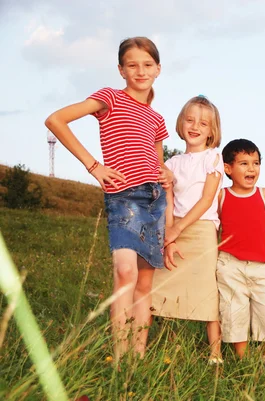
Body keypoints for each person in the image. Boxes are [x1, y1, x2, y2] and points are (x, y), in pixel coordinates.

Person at [45, 37, 171, 361]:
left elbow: (157, 162)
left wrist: (166, 174)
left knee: (145, 283)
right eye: (132, 65)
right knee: (125, 273)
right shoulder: (110, 98)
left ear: (158, 69)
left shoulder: (156, 119)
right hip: (124, 195)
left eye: (147, 64)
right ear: (121, 69)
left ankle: (136, 360)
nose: (140, 71)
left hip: (154, 200)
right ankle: (118, 358)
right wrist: (94, 165)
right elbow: (56, 120)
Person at [151, 95, 224, 364]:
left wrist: (179, 227)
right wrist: (170, 234)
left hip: (202, 229)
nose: (195, 126)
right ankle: (163, 343)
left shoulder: (213, 159)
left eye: (203, 123)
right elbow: (167, 200)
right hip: (175, 229)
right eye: (190, 120)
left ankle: (215, 353)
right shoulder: (171, 163)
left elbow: (207, 199)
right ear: (181, 123)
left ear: (211, 131)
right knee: (162, 285)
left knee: (206, 288)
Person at [216, 139, 265, 360]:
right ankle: (243, 358)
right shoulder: (222, 196)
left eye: (255, 163)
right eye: (244, 163)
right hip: (230, 264)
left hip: (262, 265)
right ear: (228, 168)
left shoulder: (264, 195)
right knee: (234, 311)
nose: (251, 168)